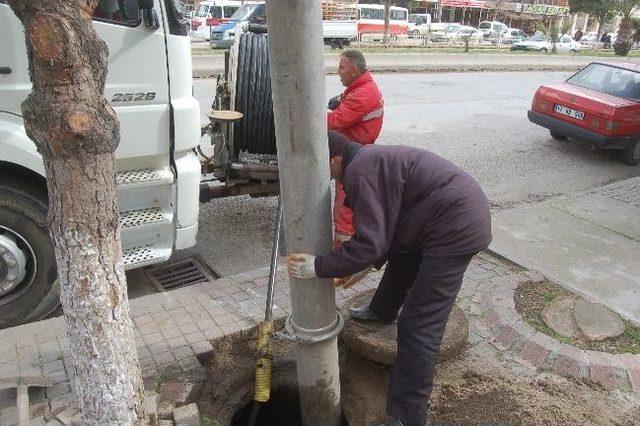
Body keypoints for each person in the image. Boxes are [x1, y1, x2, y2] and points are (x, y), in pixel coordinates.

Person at [286, 132, 492, 426]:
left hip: (455, 228)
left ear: (335, 159)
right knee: (403, 260)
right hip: (439, 217)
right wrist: (367, 263)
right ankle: (382, 310)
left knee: (419, 325)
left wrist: (317, 267)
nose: (327, 177)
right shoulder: (367, 160)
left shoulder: (359, 170)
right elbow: (386, 228)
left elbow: (372, 243)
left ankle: (408, 418)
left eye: (325, 167)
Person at [327, 50, 384, 247]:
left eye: (342, 67)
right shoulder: (360, 87)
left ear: (354, 70)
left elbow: (334, 121)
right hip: (355, 153)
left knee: (345, 208)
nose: (338, 72)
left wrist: (307, 117)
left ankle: (343, 256)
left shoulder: (363, 94)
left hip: (353, 157)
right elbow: (344, 102)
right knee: (346, 204)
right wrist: (338, 100)